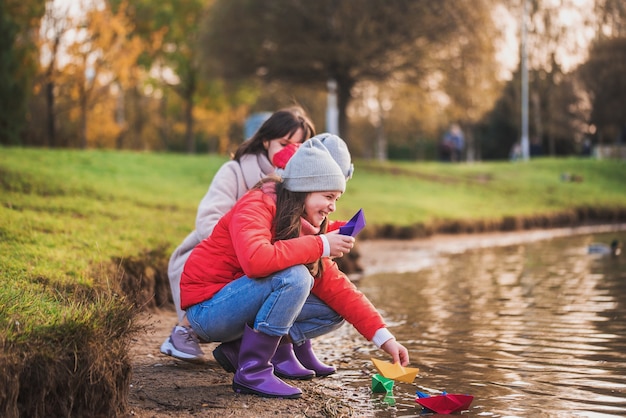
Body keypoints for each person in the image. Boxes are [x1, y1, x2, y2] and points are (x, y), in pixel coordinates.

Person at [180, 139, 410, 399]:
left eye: (336, 198)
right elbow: (256, 261)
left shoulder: (303, 224)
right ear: (304, 189)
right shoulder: (257, 204)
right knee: (296, 277)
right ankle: (253, 372)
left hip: (237, 310)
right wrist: (320, 244)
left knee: (335, 309)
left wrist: (385, 338)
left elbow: (339, 288)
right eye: (328, 197)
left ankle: (242, 351)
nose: (333, 207)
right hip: (208, 311)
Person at [160, 106, 316, 361]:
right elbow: (207, 220)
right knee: (263, 269)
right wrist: (249, 246)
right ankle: (186, 330)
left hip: (264, 255)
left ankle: (265, 343)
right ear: (266, 140)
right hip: (216, 253)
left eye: (299, 145)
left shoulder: (297, 183)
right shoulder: (234, 171)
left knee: (292, 272)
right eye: (284, 143)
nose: (291, 150)